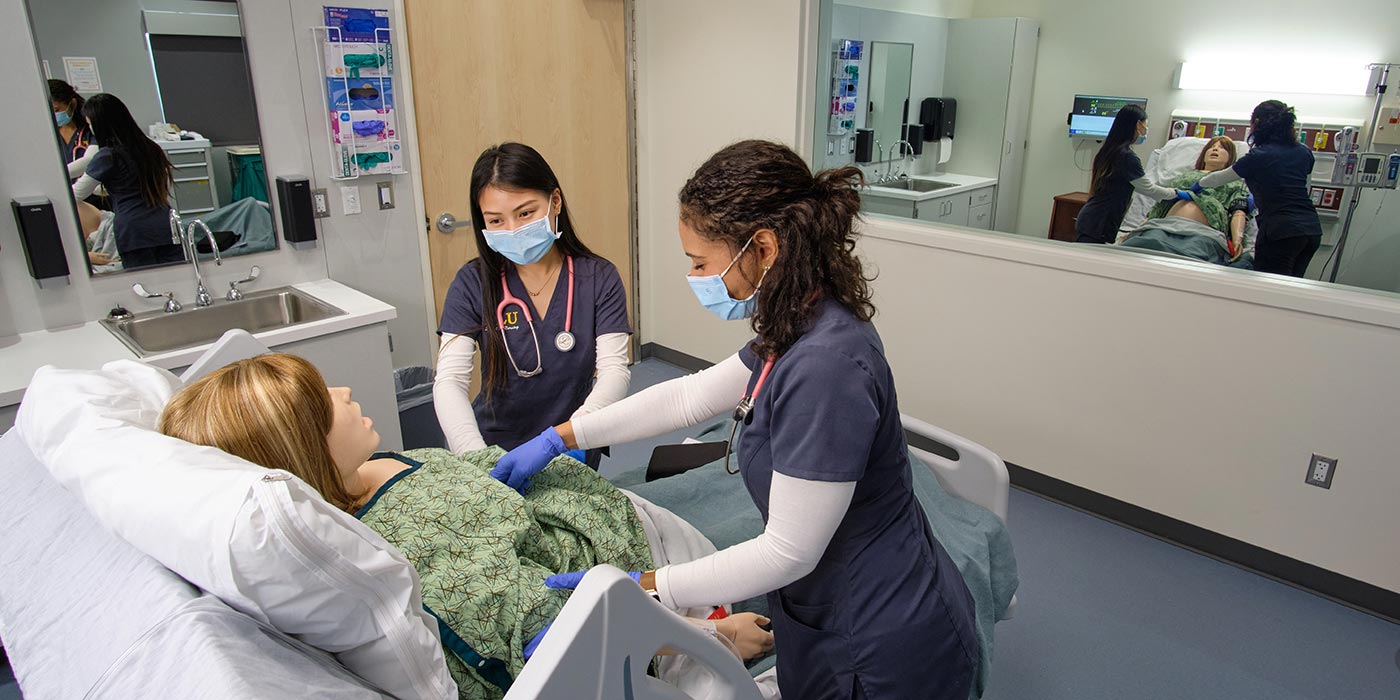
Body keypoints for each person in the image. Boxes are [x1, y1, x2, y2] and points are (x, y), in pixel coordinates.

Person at [491, 140, 980, 699]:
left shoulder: (826, 369)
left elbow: (786, 551)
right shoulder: (798, 318)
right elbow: (688, 398)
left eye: (700, 262)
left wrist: (642, 588)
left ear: (764, 247)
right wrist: (561, 436)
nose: (694, 275)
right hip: (827, 605)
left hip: (876, 637)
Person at [158, 353, 775, 699]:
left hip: (612, 515)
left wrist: (559, 440)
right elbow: (572, 627)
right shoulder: (412, 552)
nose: (345, 389)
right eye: (326, 402)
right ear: (302, 452)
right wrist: (712, 636)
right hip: (648, 577)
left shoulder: (375, 467)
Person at [434, 143, 632, 469]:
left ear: (555, 201)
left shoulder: (598, 277)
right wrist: (474, 453)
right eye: (496, 221)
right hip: (492, 445)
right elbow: (450, 381)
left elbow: (614, 371)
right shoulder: (473, 282)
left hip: (571, 443)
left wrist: (570, 436)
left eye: (525, 213)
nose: (514, 230)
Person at [1192, 100, 1321, 277]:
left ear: (1258, 123)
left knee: (1268, 288)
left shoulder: (1259, 156)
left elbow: (1221, 177)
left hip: (1281, 231)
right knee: (1291, 288)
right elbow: (1299, 183)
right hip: (1311, 230)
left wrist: (1199, 184)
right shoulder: (1304, 151)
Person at [72, 94, 182, 269]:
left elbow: (75, 194)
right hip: (166, 225)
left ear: (100, 125)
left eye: (90, 124)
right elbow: (142, 184)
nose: (90, 129)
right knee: (176, 280)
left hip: (135, 231)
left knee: (146, 285)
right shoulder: (151, 148)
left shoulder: (108, 156)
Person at [1119, 136, 1253, 263]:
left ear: (1231, 157)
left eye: (1222, 147)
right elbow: (1159, 207)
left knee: (1188, 262)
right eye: (1212, 146)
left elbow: (1239, 211)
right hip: (1162, 228)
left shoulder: (1233, 183)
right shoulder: (1184, 177)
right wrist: (1137, 230)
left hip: (1201, 234)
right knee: (1138, 252)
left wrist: (1237, 240)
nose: (1215, 149)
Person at [1075, 104, 1178, 244]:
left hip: (1091, 219)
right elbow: (1149, 189)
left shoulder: (1108, 150)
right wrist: (1176, 193)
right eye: (1146, 124)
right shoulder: (1126, 157)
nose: (1147, 129)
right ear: (1138, 125)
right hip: (1099, 224)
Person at [48, 79, 96, 180]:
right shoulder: (49, 134)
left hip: (91, 192)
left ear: (73, 104)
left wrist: (55, 176)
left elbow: (89, 161)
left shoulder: (90, 128)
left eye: (56, 110)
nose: (52, 115)